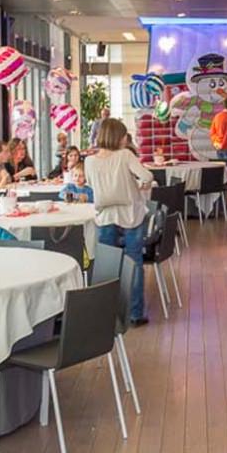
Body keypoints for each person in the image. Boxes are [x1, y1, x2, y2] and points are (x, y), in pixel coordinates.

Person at [86, 118, 154, 326]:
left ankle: (106, 313)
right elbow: (147, 175)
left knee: (107, 265)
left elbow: (90, 184)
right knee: (133, 262)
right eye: (124, 135)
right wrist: (140, 184)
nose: (126, 139)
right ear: (118, 136)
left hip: (105, 216)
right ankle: (135, 314)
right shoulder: (125, 156)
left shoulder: (90, 160)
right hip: (130, 216)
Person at [210, 96, 227, 171]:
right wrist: (223, 145)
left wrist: (216, 143)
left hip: (218, 146)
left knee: (222, 171)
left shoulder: (217, 116)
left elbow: (212, 132)